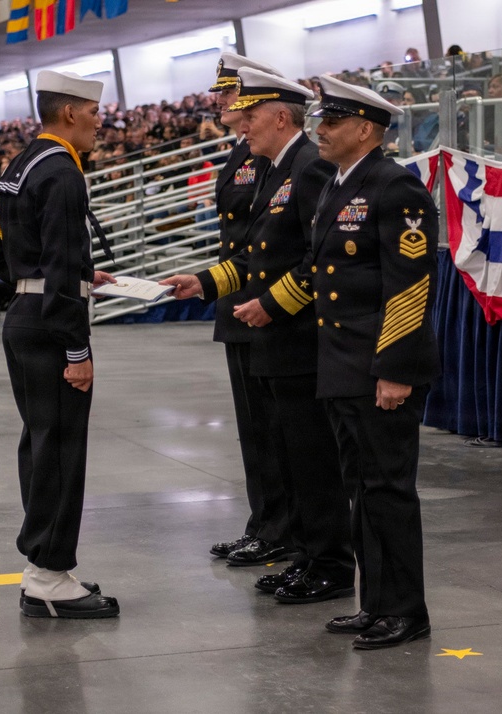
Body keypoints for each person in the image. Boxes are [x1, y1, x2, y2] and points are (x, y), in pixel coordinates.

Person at [162, 69, 355, 605]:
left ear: (278, 116)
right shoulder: (275, 167)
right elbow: (253, 255)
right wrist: (203, 282)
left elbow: (318, 259)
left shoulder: (307, 167)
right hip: (272, 329)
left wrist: (273, 304)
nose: (241, 126)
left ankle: (326, 561)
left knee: (312, 459)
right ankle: (309, 555)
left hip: (300, 333)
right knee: (291, 452)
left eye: (249, 117)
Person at [304, 74, 440, 649]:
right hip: (341, 363)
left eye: (332, 123)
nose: (321, 131)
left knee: (388, 490)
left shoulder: (395, 187)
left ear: (365, 129)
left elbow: (409, 287)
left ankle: (406, 610)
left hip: (377, 366)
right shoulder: (339, 183)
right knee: (361, 489)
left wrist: (394, 370)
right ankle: (376, 602)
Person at [0, 70, 119, 619]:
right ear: (69, 112)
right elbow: (61, 260)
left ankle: (43, 567)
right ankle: (48, 576)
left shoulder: (23, 163)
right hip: (50, 326)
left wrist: (77, 276)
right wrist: (77, 350)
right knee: (61, 450)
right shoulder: (64, 171)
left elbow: (3, 246)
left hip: (24, 313)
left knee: (42, 445)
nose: (99, 122)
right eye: (93, 112)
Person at [200, 52, 294, 567]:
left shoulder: (266, 156)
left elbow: (265, 240)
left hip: (263, 301)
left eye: (227, 92)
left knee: (271, 427)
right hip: (238, 297)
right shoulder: (244, 151)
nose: (219, 100)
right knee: (254, 428)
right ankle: (264, 522)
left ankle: (278, 527)